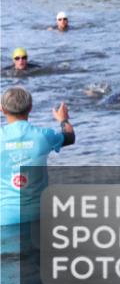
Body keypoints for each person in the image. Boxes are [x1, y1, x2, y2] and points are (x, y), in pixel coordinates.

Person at [0, 87, 76, 226]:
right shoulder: (43, 135)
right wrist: (63, 119)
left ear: (2, 109)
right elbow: (70, 137)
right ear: (30, 108)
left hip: (5, 217)